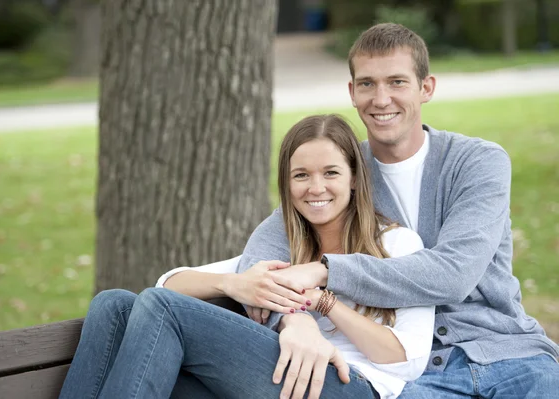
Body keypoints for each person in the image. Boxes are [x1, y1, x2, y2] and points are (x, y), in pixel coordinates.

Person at [237, 23, 559, 398]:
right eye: (367, 84)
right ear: (352, 93)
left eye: (397, 82)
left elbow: (454, 274)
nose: (381, 98)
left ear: (426, 88)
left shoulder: (477, 162)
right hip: (409, 373)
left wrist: (326, 271)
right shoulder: (341, 173)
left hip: (506, 352)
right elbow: (259, 261)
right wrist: (291, 318)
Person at [59, 114, 435, 399]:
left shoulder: (398, 246)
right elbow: (167, 282)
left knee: (162, 309)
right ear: (286, 185)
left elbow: (408, 359)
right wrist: (234, 283)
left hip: (347, 383)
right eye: (301, 175)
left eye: (331, 172)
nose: (315, 187)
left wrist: (321, 302)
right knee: (114, 305)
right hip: (278, 376)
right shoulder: (285, 247)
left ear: (355, 177)